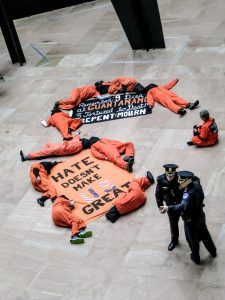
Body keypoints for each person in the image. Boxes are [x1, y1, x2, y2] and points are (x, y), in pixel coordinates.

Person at [160, 171, 217, 265]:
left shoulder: (188, 192)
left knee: (192, 239)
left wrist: (168, 208)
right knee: (205, 234)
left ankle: (195, 257)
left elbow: (182, 206)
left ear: (188, 180)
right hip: (200, 215)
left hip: (191, 220)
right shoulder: (197, 185)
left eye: (182, 181)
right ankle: (213, 251)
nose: (180, 182)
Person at [155, 164, 183, 251]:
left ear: (175, 173)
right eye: (168, 175)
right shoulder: (161, 180)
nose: (170, 177)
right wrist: (160, 206)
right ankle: (174, 241)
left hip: (182, 204)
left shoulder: (181, 178)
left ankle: (196, 237)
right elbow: (158, 194)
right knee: (173, 225)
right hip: (170, 206)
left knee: (190, 223)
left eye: (172, 175)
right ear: (165, 173)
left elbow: (195, 179)